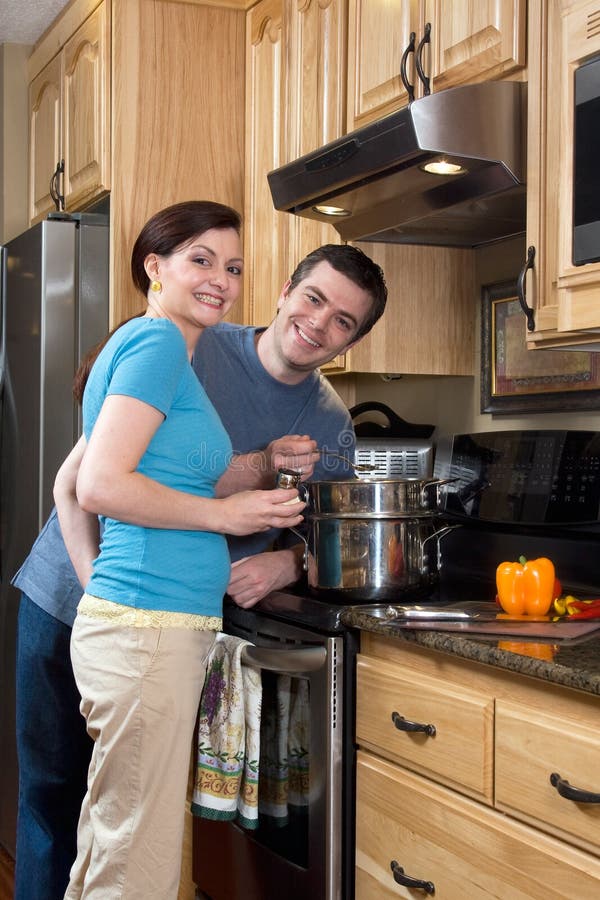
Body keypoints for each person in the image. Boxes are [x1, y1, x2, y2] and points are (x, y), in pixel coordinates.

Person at [13, 234, 388, 898]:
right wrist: (98, 585)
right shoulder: (190, 343)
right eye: (313, 299)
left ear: (350, 341)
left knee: (121, 819)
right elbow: (82, 480)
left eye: (343, 321)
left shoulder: (332, 422)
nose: (319, 324)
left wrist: (287, 564)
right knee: (56, 799)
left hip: (163, 620)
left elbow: (330, 534)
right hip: (73, 592)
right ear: (284, 292)